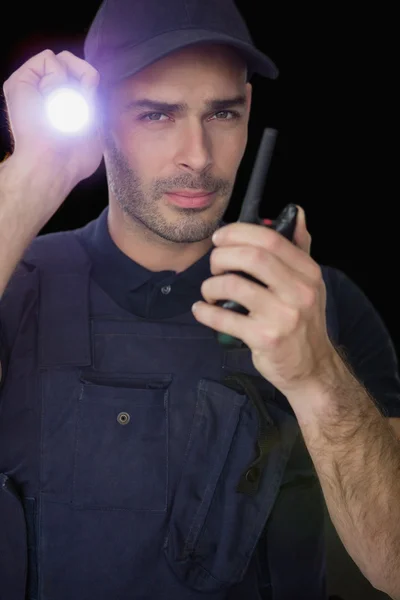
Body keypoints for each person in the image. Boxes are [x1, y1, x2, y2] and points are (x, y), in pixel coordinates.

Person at [0, 0, 399, 599]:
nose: (199, 155)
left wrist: (318, 378)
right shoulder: (17, 278)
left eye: (222, 113)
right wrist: (32, 177)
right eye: (157, 115)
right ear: (101, 121)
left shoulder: (320, 306)